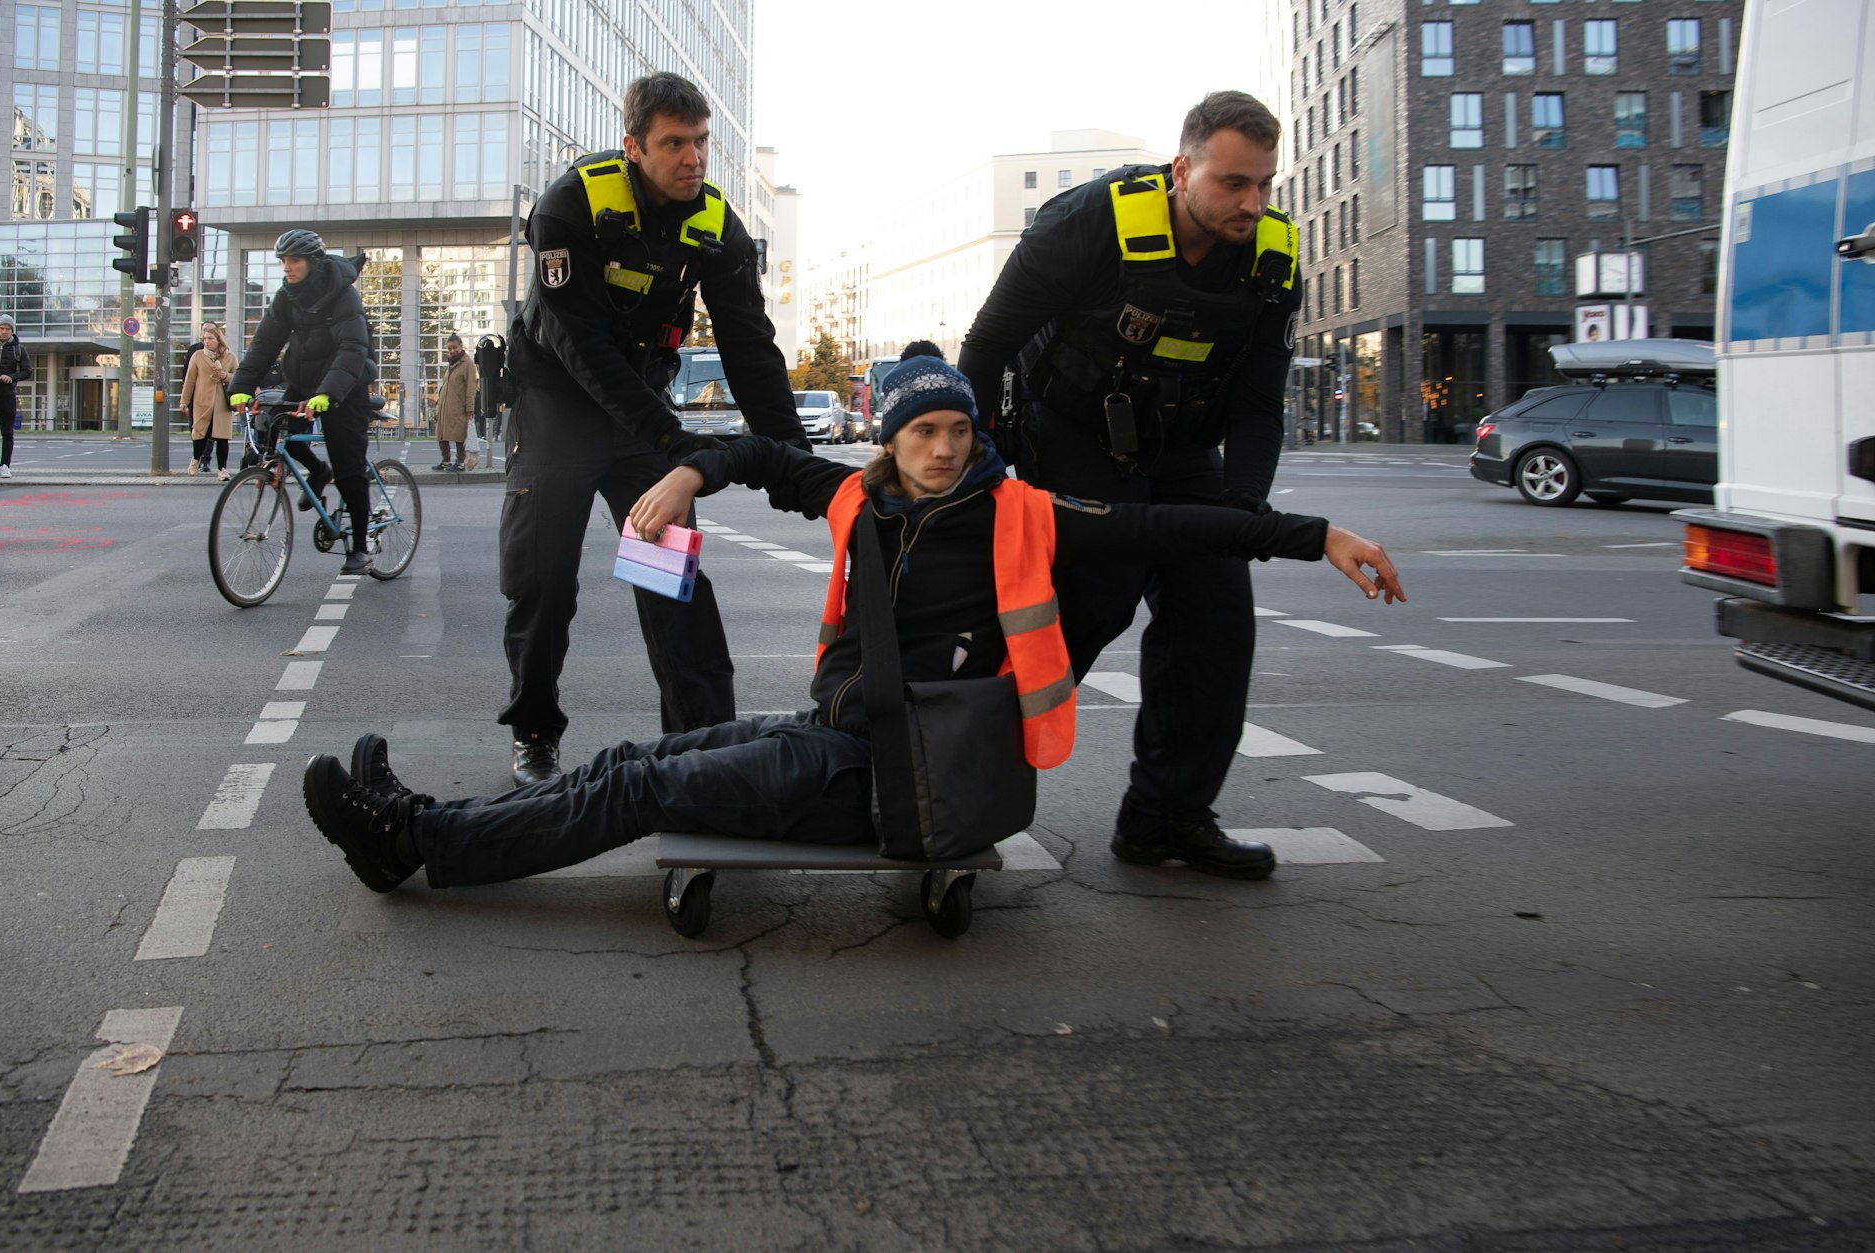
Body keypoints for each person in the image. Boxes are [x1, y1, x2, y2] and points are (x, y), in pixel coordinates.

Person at [300, 357, 1403, 893]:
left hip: (899, 772)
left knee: (637, 786)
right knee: (635, 757)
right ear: (888, 437)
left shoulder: (1016, 512)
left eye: (955, 429)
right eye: (921, 429)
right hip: (844, 735)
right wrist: (688, 471)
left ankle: (413, 843)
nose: (941, 447)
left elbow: (1174, 520)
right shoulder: (855, 499)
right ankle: (427, 821)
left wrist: (1317, 537)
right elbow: (754, 455)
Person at [957, 90, 1307, 877]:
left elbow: (1256, 408)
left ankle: (1167, 818)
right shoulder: (1085, 223)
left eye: (1263, 185)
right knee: (1098, 594)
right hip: (1067, 427)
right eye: (1231, 184)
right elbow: (985, 348)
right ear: (1182, 169)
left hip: (1180, 446)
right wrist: (966, 468)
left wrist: (1241, 514)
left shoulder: (1272, 261)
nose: (1251, 203)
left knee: (1217, 616)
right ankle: (949, 786)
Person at [497, 70, 805, 787]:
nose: (693, 159)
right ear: (634, 146)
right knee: (543, 581)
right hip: (558, 408)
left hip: (640, 419)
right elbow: (584, 350)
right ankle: (536, 729)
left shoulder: (717, 225)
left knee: (671, 587)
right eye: (674, 144)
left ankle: (706, 748)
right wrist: (677, 444)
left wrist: (794, 461)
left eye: (700, 142)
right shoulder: (570, 207)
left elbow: (750, 347)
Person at [229, 231, 379, 576]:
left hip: (346, 385)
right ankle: (318, 470)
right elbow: (265, 344)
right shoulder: (287, 297)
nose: (287, 267)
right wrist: (241, 386)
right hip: (303, 382)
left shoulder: (342, 295)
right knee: (281, 437)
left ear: (312, 262)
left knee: (349, 468)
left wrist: (328, 393)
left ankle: (358, 547)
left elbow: (352, 349)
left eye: (293, 260)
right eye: (282, 261)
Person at [180, 322, 238, 480]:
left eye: (210, 338)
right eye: (204, 338)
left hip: (221, 403)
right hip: (202, 400)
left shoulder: (230, 357)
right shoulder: (198, 356)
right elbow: (190, 380)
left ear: (219, 339)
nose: (206, 341)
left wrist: (225, 376)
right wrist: (184, 401)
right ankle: (195, 460)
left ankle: (222, 470)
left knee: (222, 437)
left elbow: (238, 377)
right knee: (200, 433)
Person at [434, 333, 477, 472]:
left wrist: (470, 409)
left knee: (459, 436)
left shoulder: (467, 363)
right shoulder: (451, 364)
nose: (452, 351)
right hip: (445, 406)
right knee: (441, 434)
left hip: (459, 407)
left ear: (461, 347)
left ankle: (460, 463)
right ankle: (446, 461)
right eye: (450, 349)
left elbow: (471, 388)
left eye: (455, 348)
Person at [0, 315, 31, 478]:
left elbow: (27, 371)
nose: (4, 332)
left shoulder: (19, 349)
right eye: (1, 328)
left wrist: (12, 377)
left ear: (12, 331)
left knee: (7, 432)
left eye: (7, 329)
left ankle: (5, 465)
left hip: (7, 395)